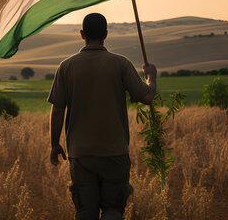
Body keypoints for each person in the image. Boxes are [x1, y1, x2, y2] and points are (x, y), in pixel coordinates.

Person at [47, 13, 157, 220]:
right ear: (106, 34)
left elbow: (58, 109)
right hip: (114, 153)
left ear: (82, 34)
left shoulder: (66, 67)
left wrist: (54, 144)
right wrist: (151, 77)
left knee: (85, 212)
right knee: (113, 211)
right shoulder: (120, 64)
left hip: (80, 154)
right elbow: (147, 97)